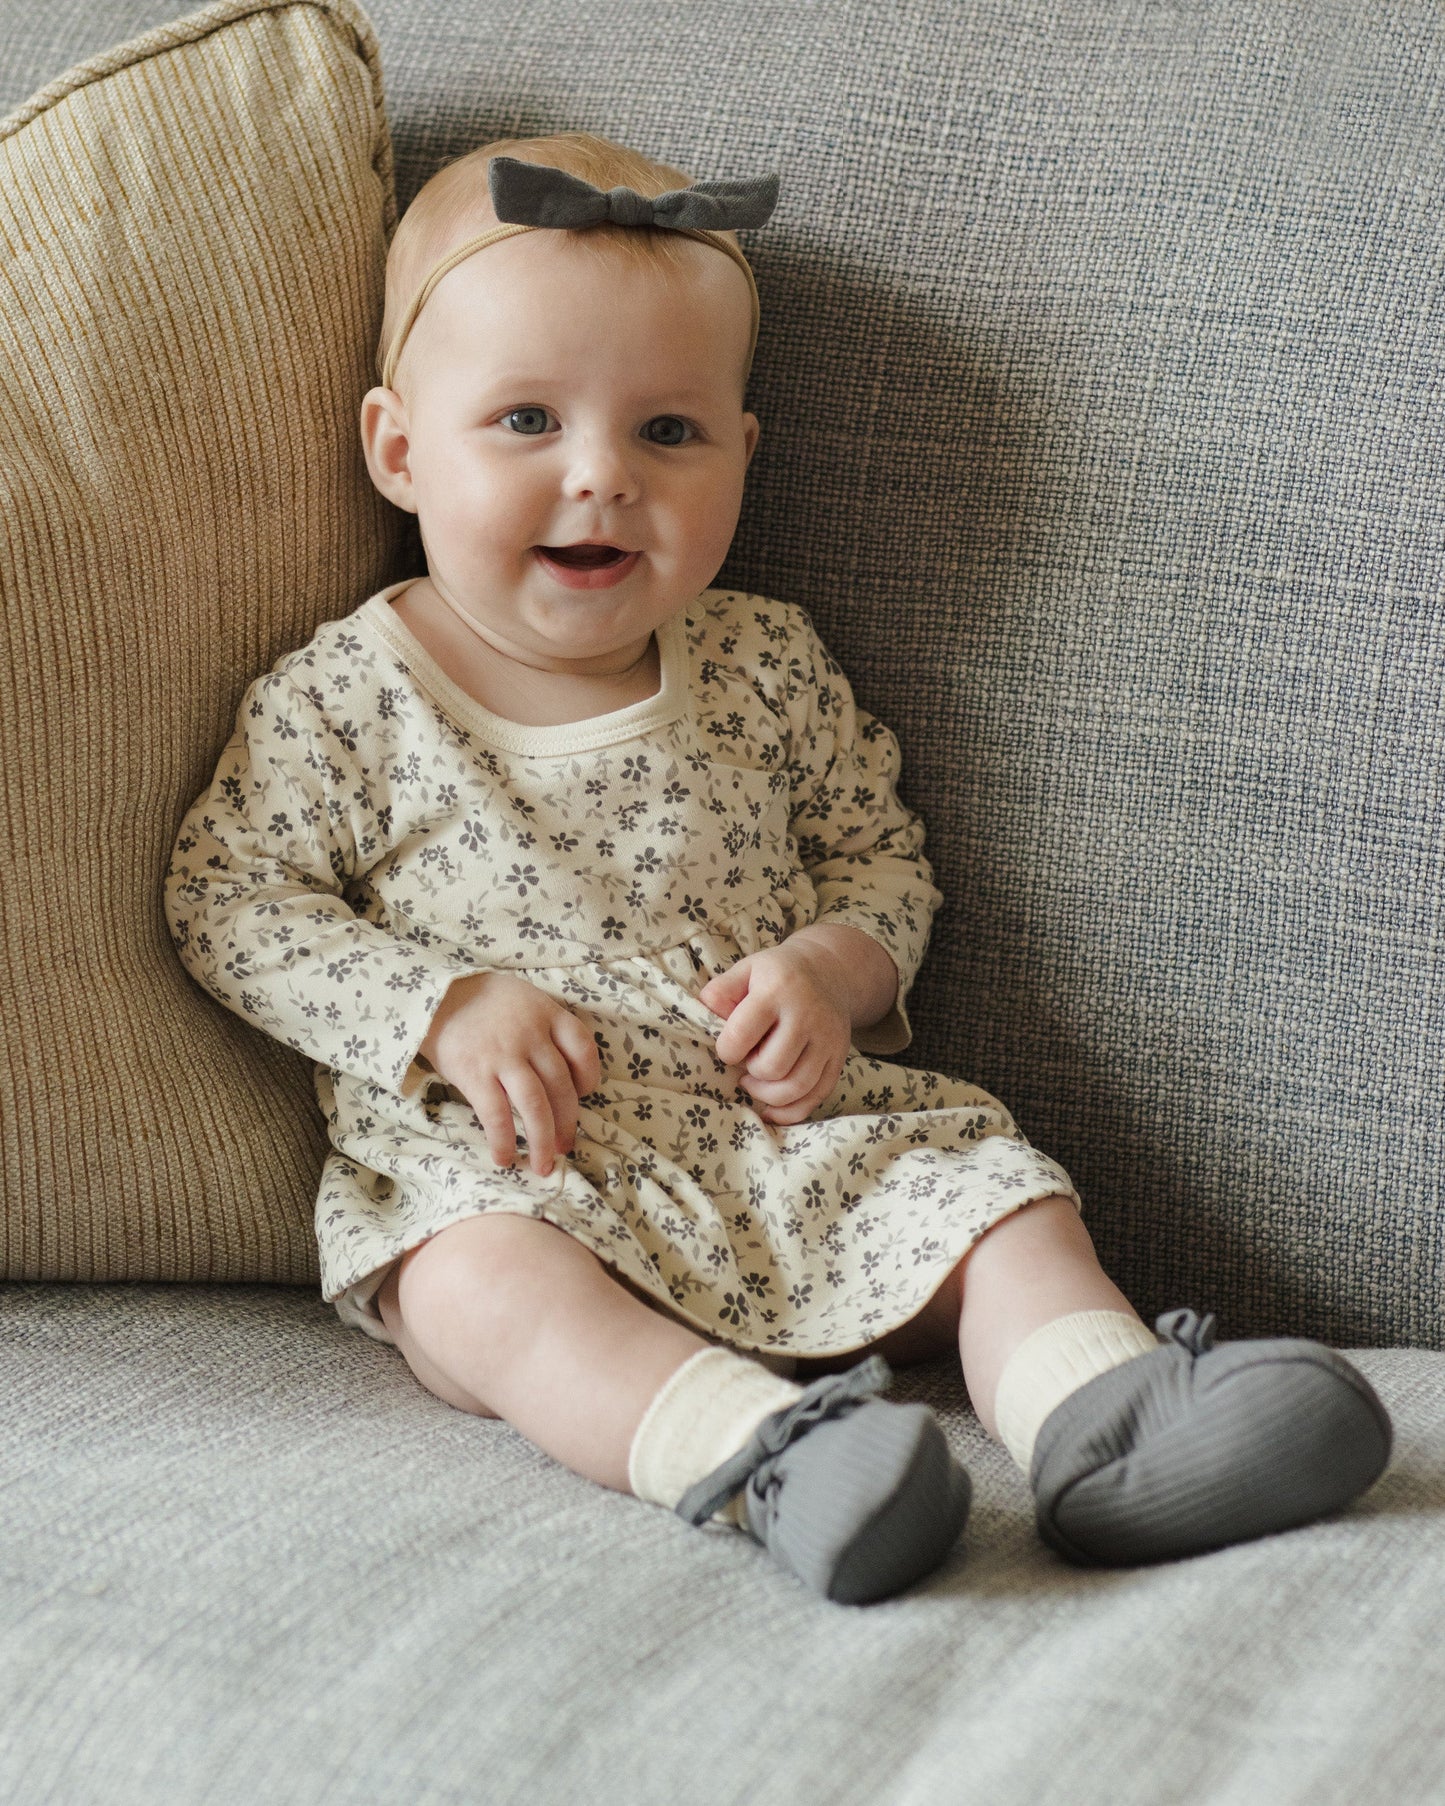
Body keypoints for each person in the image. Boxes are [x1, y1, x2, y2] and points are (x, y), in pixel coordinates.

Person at [164, 132, 1391, 1605]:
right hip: (526, 1168)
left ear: (744, 453)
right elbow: (227, 899)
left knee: (998, 1196)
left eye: (668, 432)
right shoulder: (347, 696)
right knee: (475, 1287)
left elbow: (883, 861)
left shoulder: (765, 664)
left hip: (793, 1134)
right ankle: (764, 1455)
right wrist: (440, 1005)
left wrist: (830, 968)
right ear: (398, 447)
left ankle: (1106, 1413)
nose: (601, 475)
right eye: (526, 418)